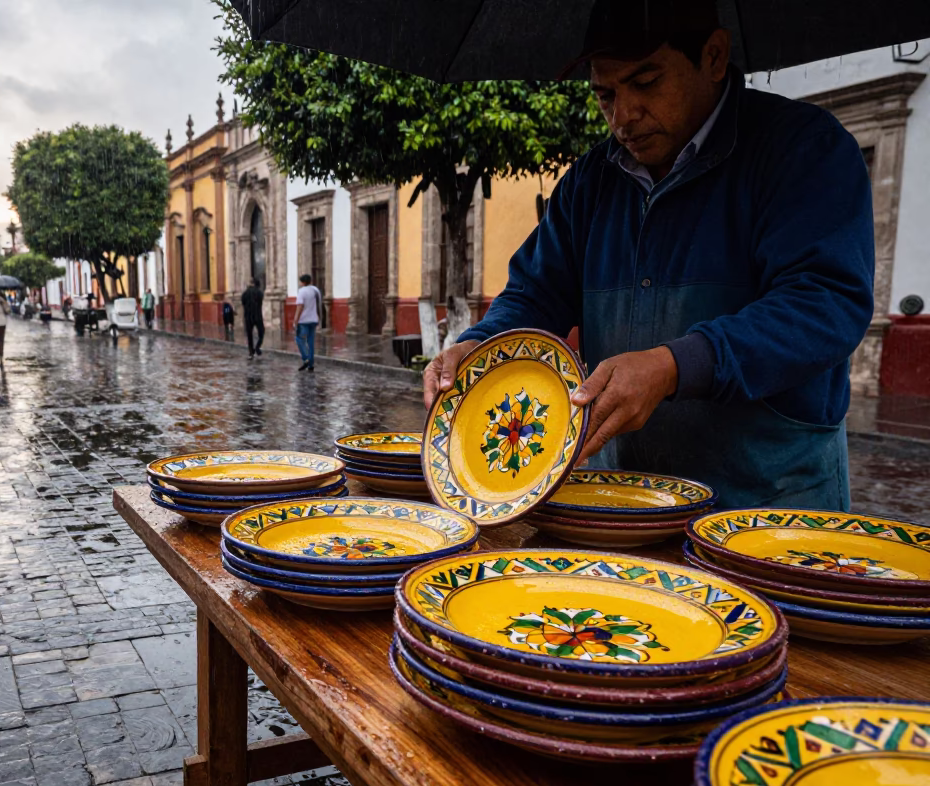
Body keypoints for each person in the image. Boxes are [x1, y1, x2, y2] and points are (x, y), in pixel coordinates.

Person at [421, 0, 874, 510]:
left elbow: (824, 303)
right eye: (605, 94)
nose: (624, 115)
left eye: (647, 82)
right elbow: (534, 293)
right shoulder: (590, 183)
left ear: (714, 57)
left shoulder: (802, 151)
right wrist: (479, 345)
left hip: (769, 502)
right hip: (629, 499)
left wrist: (674, 365)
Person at [294, 274, 322, 372]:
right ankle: (311, 364)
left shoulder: (302, 292)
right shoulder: (316, 290)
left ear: (303, 282)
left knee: (299, 339)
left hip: (303, 320)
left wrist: (295, 320)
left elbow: (300, 306)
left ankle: (306, 359)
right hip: (313, 319)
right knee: (310, 342)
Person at [241, 281, 265, 359]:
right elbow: (261, 301)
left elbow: (243, 302)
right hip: (258, 315)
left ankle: (251, 352)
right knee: (261, 332)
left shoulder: (245, 293)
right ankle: (257, 347)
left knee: (249, 335)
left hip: (248, 316)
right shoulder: (259, 292)